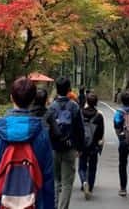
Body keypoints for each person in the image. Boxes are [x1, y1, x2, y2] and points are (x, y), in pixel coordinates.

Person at [0, 76, 54, 209]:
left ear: (11, 97)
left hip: (0, 203)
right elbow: (47, 179)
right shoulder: (41, 133)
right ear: (33, 99)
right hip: (33, 203)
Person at [47, 77, 85, 209]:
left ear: (57, 89)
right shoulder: (74, 106)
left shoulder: (51, 107)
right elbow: (80, 129)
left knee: (56, 181)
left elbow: (47, 129)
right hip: (69, 148)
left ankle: (55, 205)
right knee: (67, 182)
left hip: (54, 148)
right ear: (69, 89)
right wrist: (80, 148)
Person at [78, 91, 104, 200]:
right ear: (96, 103)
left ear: (87, 102)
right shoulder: (99, 116)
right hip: (93, 145)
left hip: (83, 145)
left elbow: (77, 129)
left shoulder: (80, 113)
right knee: (92, 168)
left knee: (82, 167)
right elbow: (101, 132)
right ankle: (90, 188)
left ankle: (84, 181)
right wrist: (99, 144)